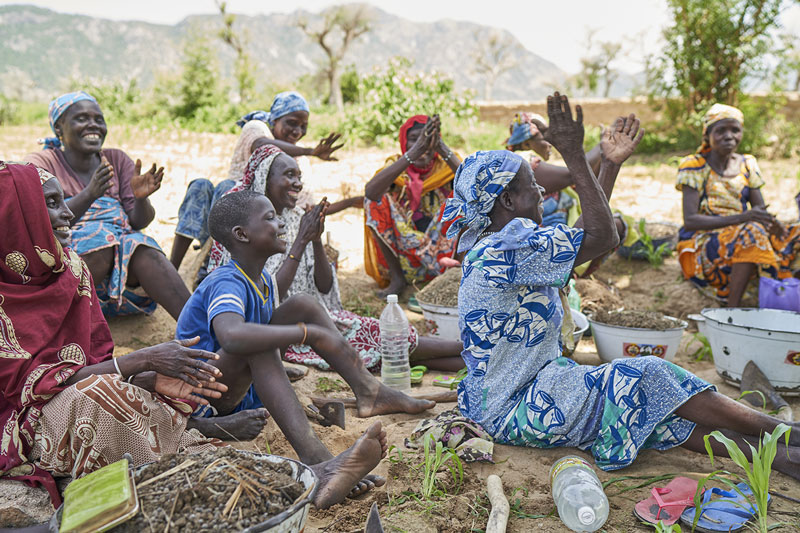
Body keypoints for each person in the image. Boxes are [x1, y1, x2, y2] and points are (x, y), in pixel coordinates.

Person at [0, 161, 394, 514]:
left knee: (134, 392)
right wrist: (140, 361)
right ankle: (238, 447)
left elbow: (95, 359)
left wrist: (145, 375)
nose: (69, 213)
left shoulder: (70, 271)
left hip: (96, 390)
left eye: (63, 201)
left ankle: (315, 463)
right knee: (104, 399)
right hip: (33, 418)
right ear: (19, 216)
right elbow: (31, 390)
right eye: (52, 203)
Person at [442, 93, 800, 478]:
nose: (543, 192)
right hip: (516, 407)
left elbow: (583, 237)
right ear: (508, 200)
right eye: (533, 186)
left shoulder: (505, 242)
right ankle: (785, 432)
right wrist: (575, 155)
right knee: (647, 374)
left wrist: (608, 165)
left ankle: (782, 458)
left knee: (648, 410)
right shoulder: (507, 248)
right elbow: (600, 237)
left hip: (532, 390)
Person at [176, 190, 435, 495]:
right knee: (256, 342)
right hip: (201, 399)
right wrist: (305, 334)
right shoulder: (225, 281)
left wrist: (305, 242)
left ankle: (369, 391)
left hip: (233, 390)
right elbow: (232, 336)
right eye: (270, 217)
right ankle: (316, 460)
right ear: (242, 234)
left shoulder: (258, 280)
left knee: (303, 303)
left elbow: (284, 301)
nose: (281, 224)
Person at [207, 145, 464, 372]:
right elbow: (270, 298)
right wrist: (301, 242)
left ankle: (472, 357)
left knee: (394, 349)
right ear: (265, 178)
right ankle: (466, 348)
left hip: (317, 319)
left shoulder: (297, 218)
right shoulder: (244, 228)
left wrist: (316, 240)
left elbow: (324, 287)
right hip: (276, 332)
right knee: (378, 334)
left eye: (299, 176)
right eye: (288, 175)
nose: (297, 183)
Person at [24, 91, 189, 320]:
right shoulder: (42, 163)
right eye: (82, 118)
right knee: (101, 239)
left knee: (143, 247)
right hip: (68, 275)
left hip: (122, 284)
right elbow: (40, 223)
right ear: (59, 128)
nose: (93, 125)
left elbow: (138, 222)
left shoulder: (116, 159)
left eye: (99, 119)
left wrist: (141, 198)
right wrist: (90, 194)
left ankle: (202, 331)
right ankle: (50, 322)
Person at [170, 93, 356, 271]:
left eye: (303, 126)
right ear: (274, 120)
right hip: (225, 215)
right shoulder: (256, 128)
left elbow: (305, 207)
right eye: (291, 123)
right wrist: (310, 151)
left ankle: (218, 264)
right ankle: (173, 267)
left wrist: (350, 202)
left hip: (251, 229)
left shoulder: (299, 162)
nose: (297, 131)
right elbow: (261, 146)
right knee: (202, 185)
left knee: (230, 190)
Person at [676, 103, 800, 307]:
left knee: (794, 231)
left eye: (735, 130)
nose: (729, 136)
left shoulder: (747, 163)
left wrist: (771, 223)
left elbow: (759, 211)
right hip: (707, 240)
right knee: (752, 232)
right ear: (707, 135)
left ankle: (787, 292)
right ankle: (731, 309)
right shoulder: (694, 165)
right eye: (720, 130)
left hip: (744, 232)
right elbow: (690, 221)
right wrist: (744, 218)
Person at [506, 111, 636, 276]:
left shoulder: (526, 163)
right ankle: (569, 271)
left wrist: (608, 161)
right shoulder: (523, 161)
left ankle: (571, 271)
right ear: (525, 145)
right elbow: (573, 175)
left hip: (553, 244)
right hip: (542, 248)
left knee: (609, 222)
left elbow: (587, 184)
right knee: (611, 226)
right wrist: (602, 146)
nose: (550, 143)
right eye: (544, 137)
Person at [364, 114, 462, 296]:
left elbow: (474, 184)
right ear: (403, 142)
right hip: (406, 259)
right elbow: (370, 193)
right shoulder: (396, 168)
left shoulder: (446, 166)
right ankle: (397, 280)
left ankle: (453, 278)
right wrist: (413, 154)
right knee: (375, 201)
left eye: (426, 140)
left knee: (466, 198)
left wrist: (440, 146)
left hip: (444, 257)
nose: (422, 145)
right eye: (414, 139)